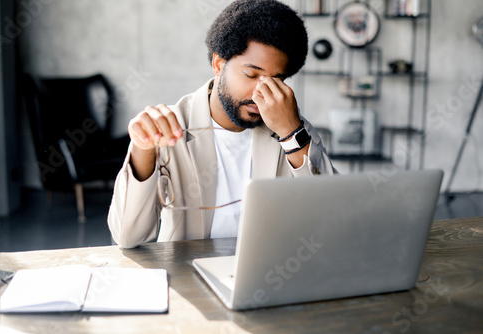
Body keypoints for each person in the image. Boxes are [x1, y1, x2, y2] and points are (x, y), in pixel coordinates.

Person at [108, 0, 338, 248]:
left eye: (276, 80)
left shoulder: (291, 127)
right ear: (219, 64)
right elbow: (127, 237)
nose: (261, 92)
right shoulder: (169, 128)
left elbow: (331, 221)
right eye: (251, 74)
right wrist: (143, 150)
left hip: (270, 274)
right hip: (188, 276)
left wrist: (291, 133)